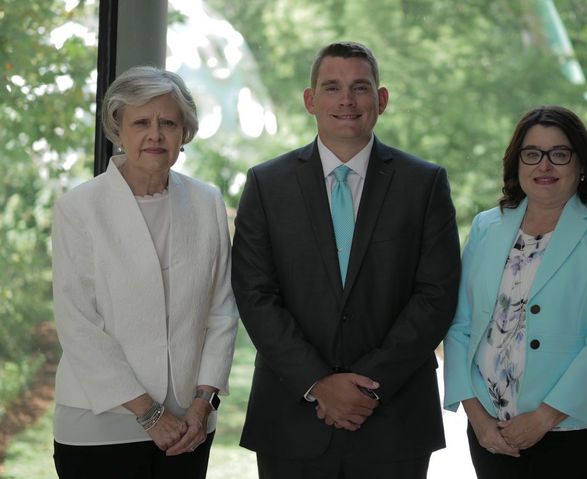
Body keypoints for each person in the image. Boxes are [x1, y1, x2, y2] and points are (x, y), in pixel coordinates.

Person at [231, 41, 461, 479]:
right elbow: (255, 294)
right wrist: (318, 384)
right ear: (310, 100)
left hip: (394, 417)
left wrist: (367, 387)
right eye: (332, 87)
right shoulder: (267, 183)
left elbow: (436, 294)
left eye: (360, 87)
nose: (346, 100)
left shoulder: (424, 183)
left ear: (382, 99)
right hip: (291, 417)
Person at [51, 65, 239, 479]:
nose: (155, 134)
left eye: (168, 123)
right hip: (100, 424)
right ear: (118, 130)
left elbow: (222, 311)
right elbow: (78, 322)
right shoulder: (79, 209)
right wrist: (149, 415)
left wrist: (202, 402)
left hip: (189, 425)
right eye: (141, 122)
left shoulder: (207, 202)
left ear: (184, 133)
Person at [443, 105, 587, 478]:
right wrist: (477, 417)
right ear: (516, 163)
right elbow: (459, 325)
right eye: (532, 154)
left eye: (559, 154)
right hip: (492, 433)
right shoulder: (487, 226)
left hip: (576, 431)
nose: (544, 166)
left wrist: (544, 418)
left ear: (581, 164)